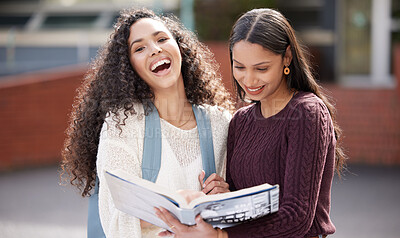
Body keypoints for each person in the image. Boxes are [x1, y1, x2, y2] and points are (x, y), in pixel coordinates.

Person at [155, 8, 347, 238]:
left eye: (261, 68)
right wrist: (224, 193)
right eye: (240, 67)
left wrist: (219, 236)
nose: (249, 80)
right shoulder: (241, 121)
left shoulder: (307, 112)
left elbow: (297, 217)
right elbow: (246, 207)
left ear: (287, 57)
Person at [60, 8, 233, 238]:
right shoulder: (123, 125)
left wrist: (226, 195)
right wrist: (183, 203)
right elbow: (116, 213)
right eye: (139, 48)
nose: (155, 49)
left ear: (180, 47)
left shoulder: (220, 122)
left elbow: (239, 214)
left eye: (162, 39)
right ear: (129, 67)